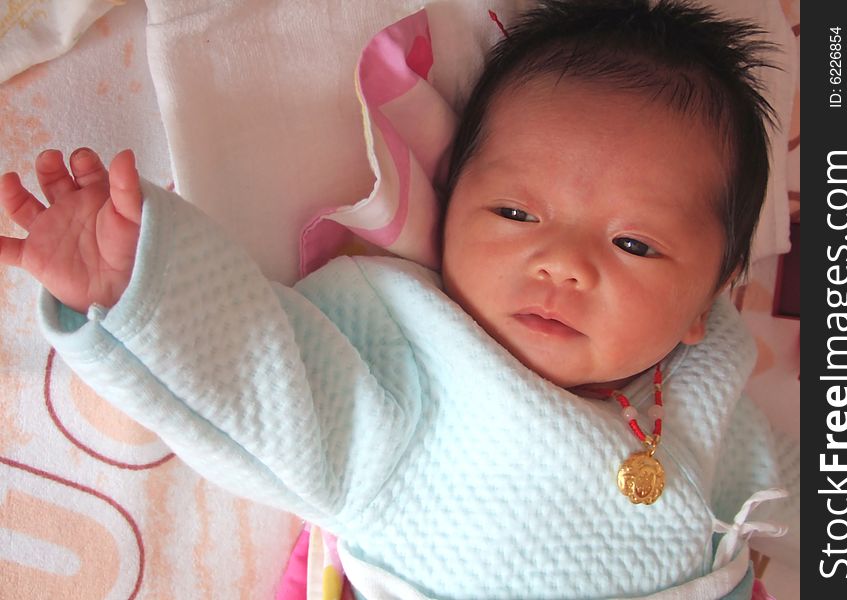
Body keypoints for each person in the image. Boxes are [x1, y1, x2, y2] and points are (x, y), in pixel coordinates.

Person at [0, 1, 786, 597]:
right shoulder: (415, 358)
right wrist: (135, 283)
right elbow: (257, 374)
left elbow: (786, 481)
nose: (562, 264)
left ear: (706, 302)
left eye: (634, 245)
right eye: (516, 214)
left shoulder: (705, 380)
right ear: (450, 208)